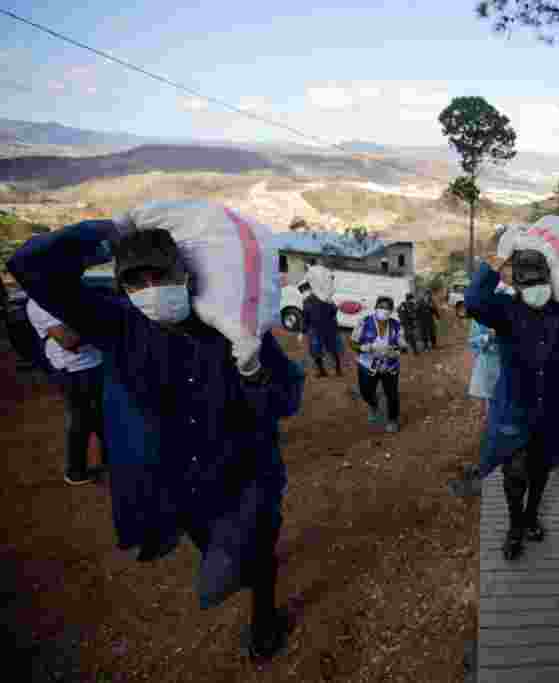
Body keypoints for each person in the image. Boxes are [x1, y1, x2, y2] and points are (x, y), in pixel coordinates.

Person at [7, 222, 306, 660]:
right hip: (182, 484)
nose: (151, 289)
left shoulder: (232, 324)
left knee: (254, 553)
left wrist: (255, 371)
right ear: (122, 286)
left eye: (160, 276)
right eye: (136, 280)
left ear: (184, 275)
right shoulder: (118, 323)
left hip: (247, 473)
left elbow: (286, 399)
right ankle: (241, 566)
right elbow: (30, 267)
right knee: (217, 548)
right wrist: (104, 233)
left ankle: (264, 620)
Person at [465, 248, 559, 560]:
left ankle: (531, 517)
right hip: (515, 409)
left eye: (539, 282)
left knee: (541, 470)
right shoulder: (505, 310)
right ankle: (515, 527)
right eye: (526, 284)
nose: (535, 290)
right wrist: (496, 260)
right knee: (514, 473)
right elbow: (473, 301)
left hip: (552, 413)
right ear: (516, 285)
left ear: (550, 280)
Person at [26, 298, 107, 485]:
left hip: (92, 363)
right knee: (81, 420)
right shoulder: (39, 301)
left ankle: (109, 462)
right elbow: (68, 340)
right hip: (75, 370)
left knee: (98, 416)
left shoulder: (65, 290)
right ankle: (76, 471)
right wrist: (101, 324)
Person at [350, 296, 403, 433]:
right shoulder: (364, 323)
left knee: (392, 394)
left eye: (387, 308)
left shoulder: (396, 325)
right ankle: (373, 405)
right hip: (367, 366)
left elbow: (402, 346)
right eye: (381, 307)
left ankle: (392, 420)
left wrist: (396, 352)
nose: (383, 310)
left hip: (389, 367)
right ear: (375, 308)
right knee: (366, 392)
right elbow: (352, 342)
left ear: (391, 311)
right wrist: (363, 348)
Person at [299, 281, 343, 378]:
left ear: (311, 289)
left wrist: (330, 305)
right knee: (315, 352)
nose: (304, 293)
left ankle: (338, 369)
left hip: (328, 329)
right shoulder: (306, 302)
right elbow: (306, 317)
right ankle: (322, 371)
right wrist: (302, 332)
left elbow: (334, 311)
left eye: (305, 291)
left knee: (333, 350)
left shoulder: (323, 297)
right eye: (302, 292)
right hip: (315, 330)